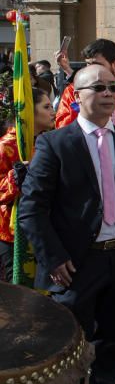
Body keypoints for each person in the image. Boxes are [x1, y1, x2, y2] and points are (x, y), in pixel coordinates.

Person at [19, 64, 115, 384]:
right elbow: (32, 209)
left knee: (112, 338)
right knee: (72, 345)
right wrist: (54, 258)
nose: (109, 93)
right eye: (99, 87)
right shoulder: (56, 144)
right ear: (76, 96)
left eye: (114, 87)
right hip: (76, 264)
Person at [0, 87, 55, 284]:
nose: (53, 112)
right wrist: (15, 177)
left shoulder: (47, 141)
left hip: (43, 228)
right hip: (11, 234)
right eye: (46, 107)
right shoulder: (7, 145)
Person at [54, 39, 115, 131]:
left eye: (96, 64)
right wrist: (83, 108)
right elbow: (62, 128)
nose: (91, 69)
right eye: (88, 64)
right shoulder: (74, 91)